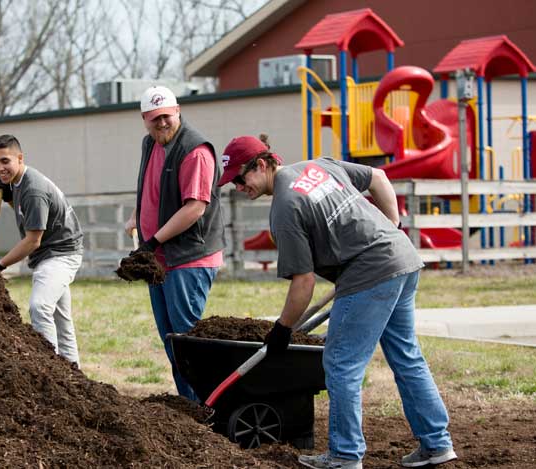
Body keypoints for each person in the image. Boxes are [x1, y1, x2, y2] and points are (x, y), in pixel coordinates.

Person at [218, 134, 456, 469]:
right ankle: (437, 444)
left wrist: (282, 330)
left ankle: (345, 455)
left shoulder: (285, 207)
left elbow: (304, 282)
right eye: (232, 185)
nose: (239, 189)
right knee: (406, 356)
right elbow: (379, 178)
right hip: (401, 258)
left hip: (370, 273)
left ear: (260, 164)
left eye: (240, 180)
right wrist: (390, 229)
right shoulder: (318, 165)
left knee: (341, 364)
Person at [124, 86, 225, 401]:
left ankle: (207, 407)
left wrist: (151, 240)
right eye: (154, 119)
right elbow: (150, 188)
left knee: (187, 341)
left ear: (178, 111)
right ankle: (189, 407)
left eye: (166, 116)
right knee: (171, 340)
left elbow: (195, 208)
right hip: (159, 257)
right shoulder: (150, 144)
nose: (161, 124)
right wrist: (136, 217)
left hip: (188, 258)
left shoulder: (195, 150)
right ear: (144, 119)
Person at [0, 134, 85, 366]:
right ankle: (74, 374)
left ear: (20, 158)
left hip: (59, 254)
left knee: (40, 307)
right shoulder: (19, 183)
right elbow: (25, 213)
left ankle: (50, 370)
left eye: (5, 161)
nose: (0, 167)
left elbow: (32, 241)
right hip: (52, 253)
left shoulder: (33, 189)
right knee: (61, 320)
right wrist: (9, 197)